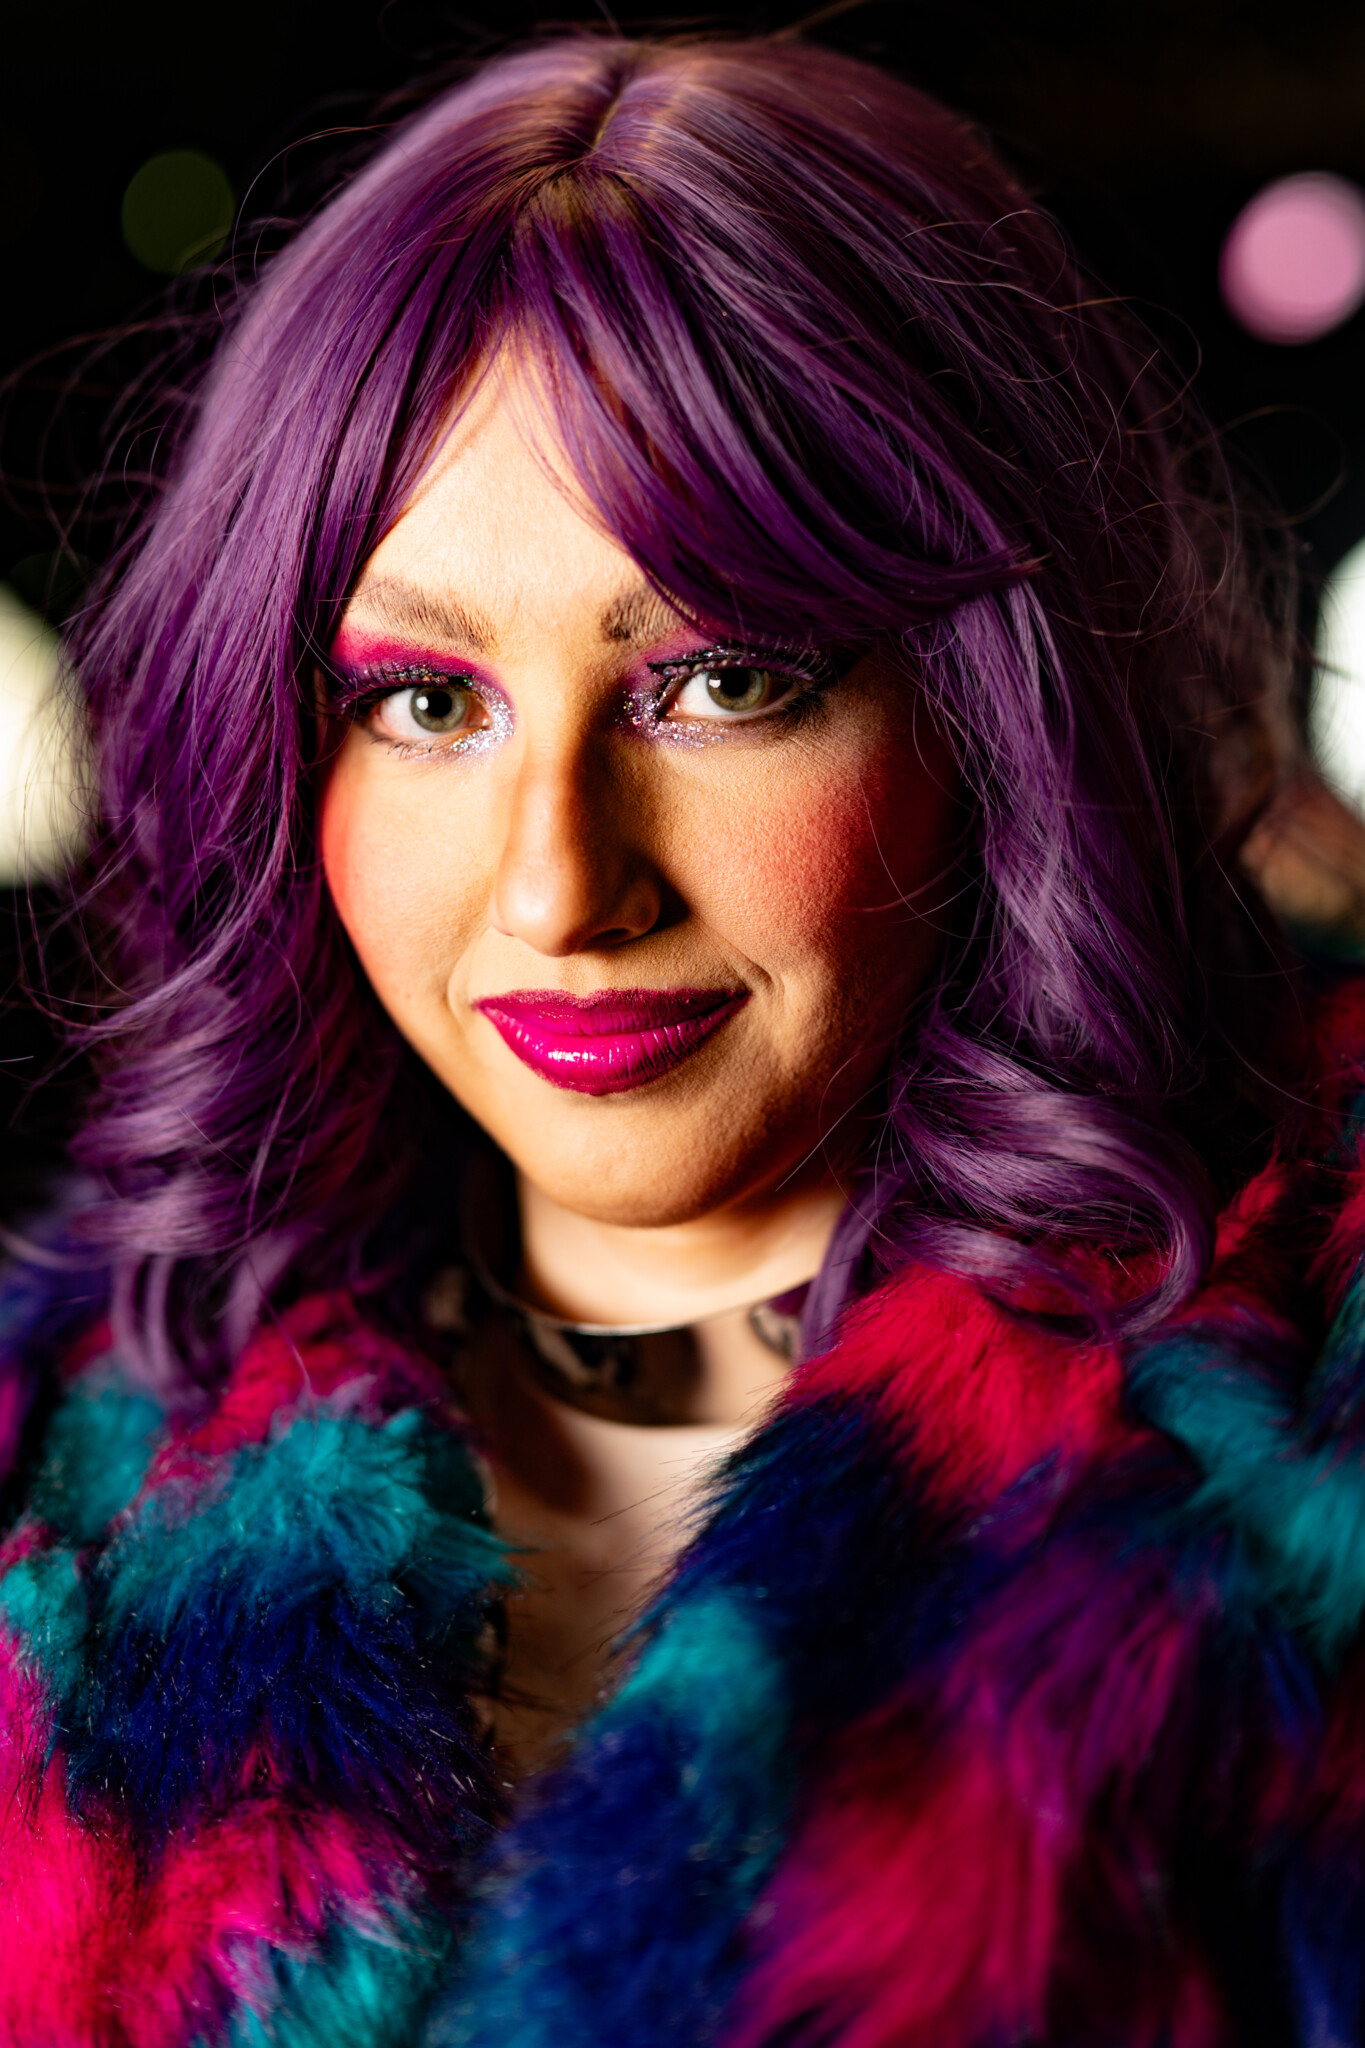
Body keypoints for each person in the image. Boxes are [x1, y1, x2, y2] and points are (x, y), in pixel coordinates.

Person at [1, 30, 1362, 2048]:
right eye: (426, 702)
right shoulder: (55, 1471)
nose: (561, 887)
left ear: (992, 714)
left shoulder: (1300, 1497)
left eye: (720, 680)